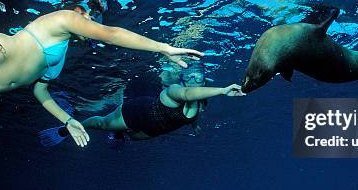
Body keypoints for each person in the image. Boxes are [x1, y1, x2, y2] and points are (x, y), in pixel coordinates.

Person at [0, 0, 204, 146]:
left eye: (99, 15)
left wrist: (68, 119)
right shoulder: (63, 20)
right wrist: (162, 47)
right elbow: (110, 34)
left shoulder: (59, 59)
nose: (96, 21)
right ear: (81, 9)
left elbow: (41, 94)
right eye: (94, 12)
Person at [38, 60, 245, 147]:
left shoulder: (201, 100)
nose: (192, 79)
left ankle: (120, 133)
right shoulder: (175, 90)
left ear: (203, 79)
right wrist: (223, 90)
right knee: (102, 124)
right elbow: (188, 93)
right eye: (188, 76)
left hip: (155, 129)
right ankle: (67, 128)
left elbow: (195, 105)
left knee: (132, 139)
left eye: (197, 75)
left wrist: (195, 125)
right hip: (137, 113)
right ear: (182, 79)